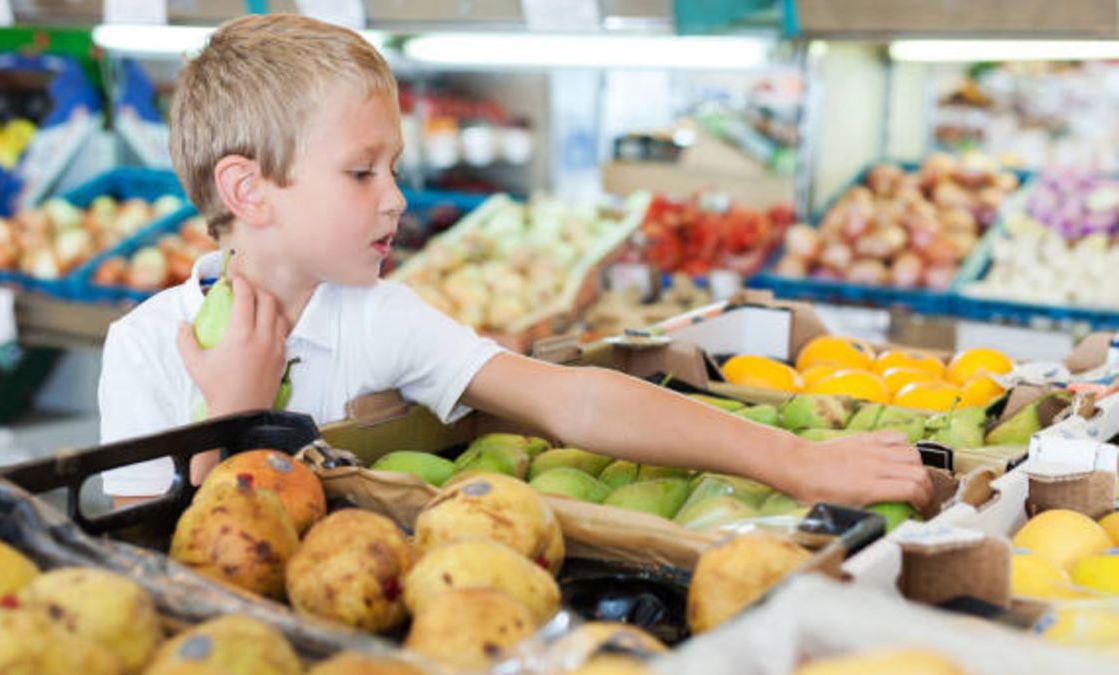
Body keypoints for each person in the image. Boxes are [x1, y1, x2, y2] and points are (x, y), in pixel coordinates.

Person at [98, 14, 932, 510]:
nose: (395, 200)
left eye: (394, 169)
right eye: (361, 172)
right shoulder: (143, 352)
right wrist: (235, 412)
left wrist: (796, 458)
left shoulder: (373, 313)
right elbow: (177, 564)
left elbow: (572, 402)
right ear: (249, 190)